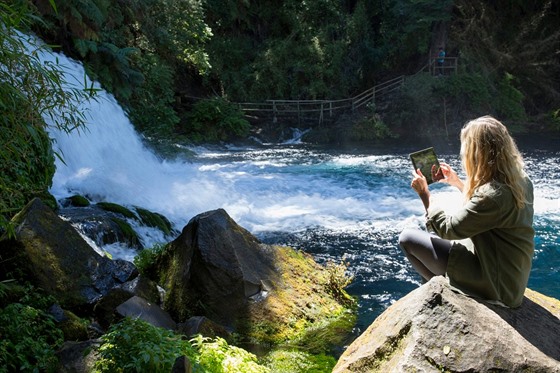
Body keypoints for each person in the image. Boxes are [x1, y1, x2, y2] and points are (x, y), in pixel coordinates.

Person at [398, 115, 534, 308]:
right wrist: (457, 183)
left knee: (407, 238)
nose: (462, 155)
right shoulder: (521, 180)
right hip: (510, 278)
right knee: (447, 240)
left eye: (466, 149)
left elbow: (447, 229)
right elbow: (488, 214)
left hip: (495, 285)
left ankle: (444, 293)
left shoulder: (491, 196)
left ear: (478, 153)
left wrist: (425, 194)